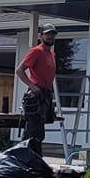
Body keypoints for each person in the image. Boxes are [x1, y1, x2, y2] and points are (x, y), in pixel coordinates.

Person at [15, 23, 59, 154]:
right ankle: (32, 161)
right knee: (35, 133)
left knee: (35, 131)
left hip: (45, 94)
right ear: (41, 36)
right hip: (36, 95)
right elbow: (20, 70)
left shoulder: (51, 54)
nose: (50, 36)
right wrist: (32, 86)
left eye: (53, 34)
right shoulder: (36, 51)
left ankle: (24, 159)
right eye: (48, 34)